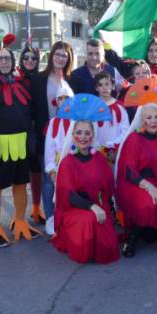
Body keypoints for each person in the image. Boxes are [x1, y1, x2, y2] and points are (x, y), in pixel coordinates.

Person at [0, 36, 41, 248]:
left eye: (7, 58)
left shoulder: (20, 83)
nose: (4, 62)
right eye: (0, 58)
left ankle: (20, 220)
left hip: (21, 144)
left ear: (13, 61)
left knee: (21, 183)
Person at [52, 94, 119, 264]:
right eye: (79, 132)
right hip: (75, 209)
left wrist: (105, 207)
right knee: (90, 221)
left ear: (92, 135)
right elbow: (69, 196)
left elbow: (107, 187)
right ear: (73, 135)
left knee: (109, 246)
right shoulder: (67, 162)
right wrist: (92, 207)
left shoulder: (99, 159)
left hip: (97, 206)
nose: (83, 137)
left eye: (87, 133)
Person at [115, 101, 157, 257]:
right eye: (149, 117)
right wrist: (149, 187)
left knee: (150, 237)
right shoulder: (134, 138)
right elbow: (129, 171)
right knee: (149, 204)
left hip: (156, 182)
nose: (153, 121)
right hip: (135, 182)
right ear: (142, 120)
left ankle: (145, 227)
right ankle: (131, 238)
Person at [32, 41, 74, 229]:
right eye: (57, 54)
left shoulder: (72, 79)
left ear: (69, 58)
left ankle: (68, 215)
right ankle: (50, 217)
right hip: (47, 136)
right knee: (49, 178)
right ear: (51, 56)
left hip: (70, 136)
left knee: (70, 178)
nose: (60, 58)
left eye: (64, 55)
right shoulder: (39, 80)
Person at [18, 43, 45, 224]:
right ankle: (19, 214)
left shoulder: (41, 79)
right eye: (26, 57)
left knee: (36, 171)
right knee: (19, 173)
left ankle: (36, 207)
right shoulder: (14, 79)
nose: (30, 60)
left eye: (34, 58)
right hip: (18, 131)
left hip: (36, 131)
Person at [42, 87, 75, 235]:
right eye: (60, 99)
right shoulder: (53, 122)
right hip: (58, 162)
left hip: (74, 161)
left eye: (67, 98)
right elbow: (49, 146)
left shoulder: (79, 120)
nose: (64, 101)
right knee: (54, 189)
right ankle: (51, 218)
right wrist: (51, 168)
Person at [94, 72, 130, 164]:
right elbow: (90, 130)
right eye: (100, 85)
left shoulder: (120, 107)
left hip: (115, 152)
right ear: (96, 88)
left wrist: (112, 146)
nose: (104, 88)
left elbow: (125, 131)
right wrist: (100, 148)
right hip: (96, 152)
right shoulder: (92, 108)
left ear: (113, 86)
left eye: (107, 84)